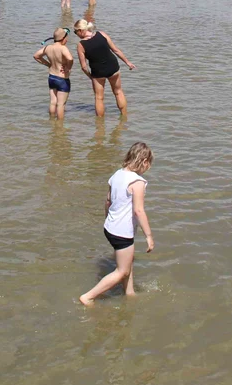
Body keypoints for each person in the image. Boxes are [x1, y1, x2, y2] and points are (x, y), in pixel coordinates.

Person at [79, 142, 155, 307]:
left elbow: (107, 201)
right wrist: (148, 235)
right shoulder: (138, 182)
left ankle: (129, 293)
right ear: (144, 162)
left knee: (127, 262)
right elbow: (139, 211)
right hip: (122, 232)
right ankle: (88, 297)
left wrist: (108, 219)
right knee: (122, 271)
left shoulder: (117, 175)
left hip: (110, 228)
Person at [74, 19, 135, 117]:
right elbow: (116, 50)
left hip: (98, 72)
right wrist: (128, 62)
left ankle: (100, 125)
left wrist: (91, 77)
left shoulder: (81, 45)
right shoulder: (102, 34)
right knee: (118, 92)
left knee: (99, 98)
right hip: (113, 67)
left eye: (75, 31)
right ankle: (124, 117)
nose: (75, 34)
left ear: (81, 30)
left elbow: (84, 67)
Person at [33, 28, 74, 120]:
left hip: (52, 77)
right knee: (61, 104)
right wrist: (68, 67)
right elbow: (70, 59)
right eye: (66, 38)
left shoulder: (48, 48)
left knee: (53, 102)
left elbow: (36, 56)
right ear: (63, 38)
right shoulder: (63, 48)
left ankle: (52, 121)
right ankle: (60, 126)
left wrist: (48, 64)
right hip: (62, 79)